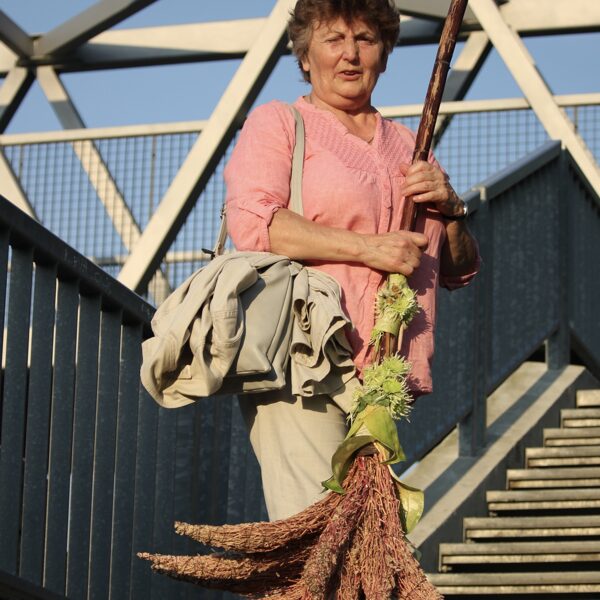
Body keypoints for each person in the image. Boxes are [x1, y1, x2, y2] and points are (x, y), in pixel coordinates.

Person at [224, 0, 480, 521]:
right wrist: (368, 247)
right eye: (333, 39)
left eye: (365, 39)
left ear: (383, 54)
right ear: (305, 56)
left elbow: (459, 270)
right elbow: (255, 224)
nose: (350, 54)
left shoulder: (411, 145)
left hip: (385, 374)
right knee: (319, 528)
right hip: (304, 358)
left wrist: (453, 209)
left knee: (365, 535)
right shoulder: (280, 123)